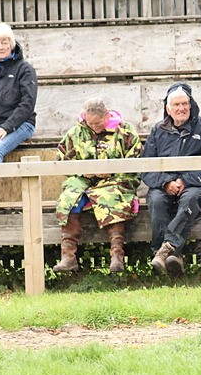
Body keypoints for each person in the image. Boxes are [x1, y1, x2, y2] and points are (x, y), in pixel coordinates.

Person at [52, 98, 143, 273]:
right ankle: (68, 256)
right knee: (68, 199)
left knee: (112, 197)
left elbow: (136, 161)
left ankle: (117, 256)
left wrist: (111, 172)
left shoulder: (125, 132)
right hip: (83, 180)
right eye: (90, 123)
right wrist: (81, 172)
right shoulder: (75, 133)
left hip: (115, 180)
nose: (94, 127)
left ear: (107, 116)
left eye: (98, 122)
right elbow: (62, 159)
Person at [141, 83, 201, 277]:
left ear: (191, 104)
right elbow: (146, 168)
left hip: (196, 184)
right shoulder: (158, 131)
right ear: (168, 109)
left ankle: (164, 250)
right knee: (156, 200)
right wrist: (166, 182)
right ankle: (174, 255)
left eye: (185, 103)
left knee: (190, 199)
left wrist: (185, 180)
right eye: (176, 105)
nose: (181, 108)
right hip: (164, 184)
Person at [0, 23, 38, 197]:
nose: (1, 47)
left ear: (11, 44)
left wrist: (7, 127)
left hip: (21, 123)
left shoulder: (25, 69)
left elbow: (27, 103)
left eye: (4, 42)